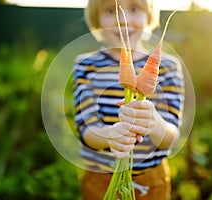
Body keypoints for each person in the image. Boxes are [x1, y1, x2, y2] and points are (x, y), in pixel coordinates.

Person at [73, 0, 184, 199]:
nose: (123, 20)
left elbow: (170, 138)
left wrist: (155, 123)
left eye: (134, 8)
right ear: (96, 19)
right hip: (100, 176)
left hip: (151, 179)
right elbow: (86, 130)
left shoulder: (168, 67)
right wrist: (110, 135)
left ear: (149, 15)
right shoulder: (86, 65)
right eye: (110, 10)